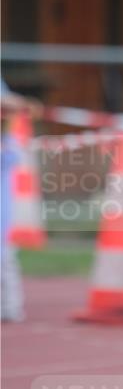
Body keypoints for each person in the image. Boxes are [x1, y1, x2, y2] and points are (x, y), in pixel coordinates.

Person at [1, 79, 42, 322]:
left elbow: (15, 103)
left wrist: (18, 105)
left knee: (5, 254)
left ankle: (9, 306)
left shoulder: (9, 149)